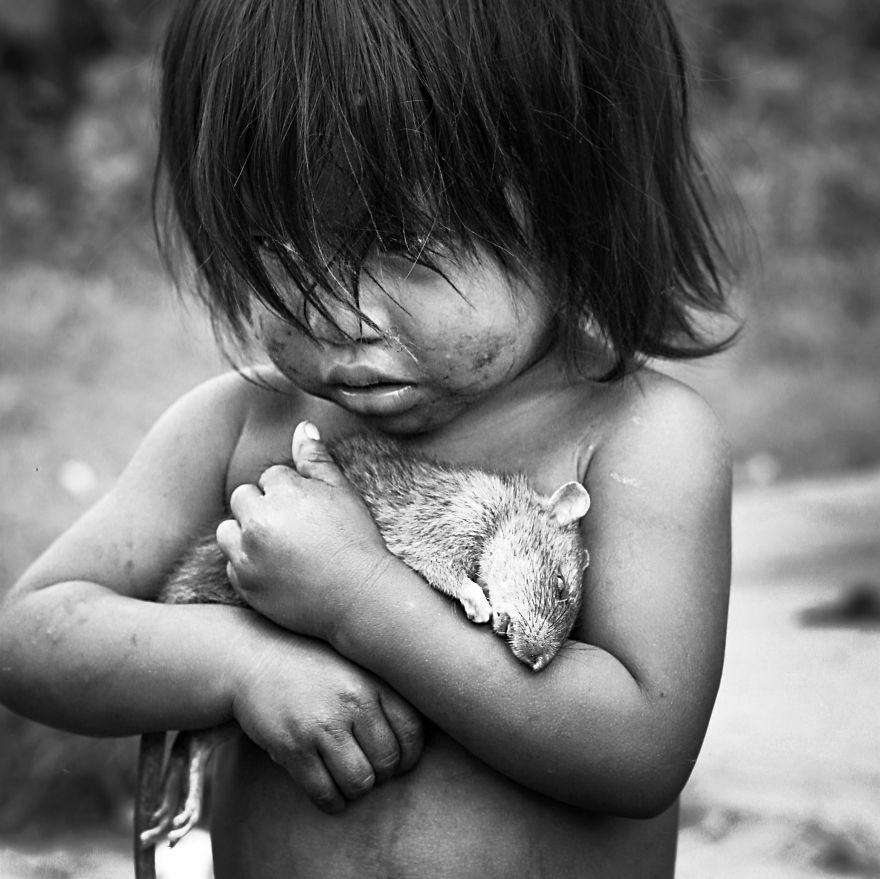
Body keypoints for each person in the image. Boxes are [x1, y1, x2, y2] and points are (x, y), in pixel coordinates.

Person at [0, 1, 739, 876]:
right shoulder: (241, 425)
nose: (331, 312)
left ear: (574, 207)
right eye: (278, 244)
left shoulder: (635, 439)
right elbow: (35, 634)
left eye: (400, 243)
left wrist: (360, 602)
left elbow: (640, 750)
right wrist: (241, 661)